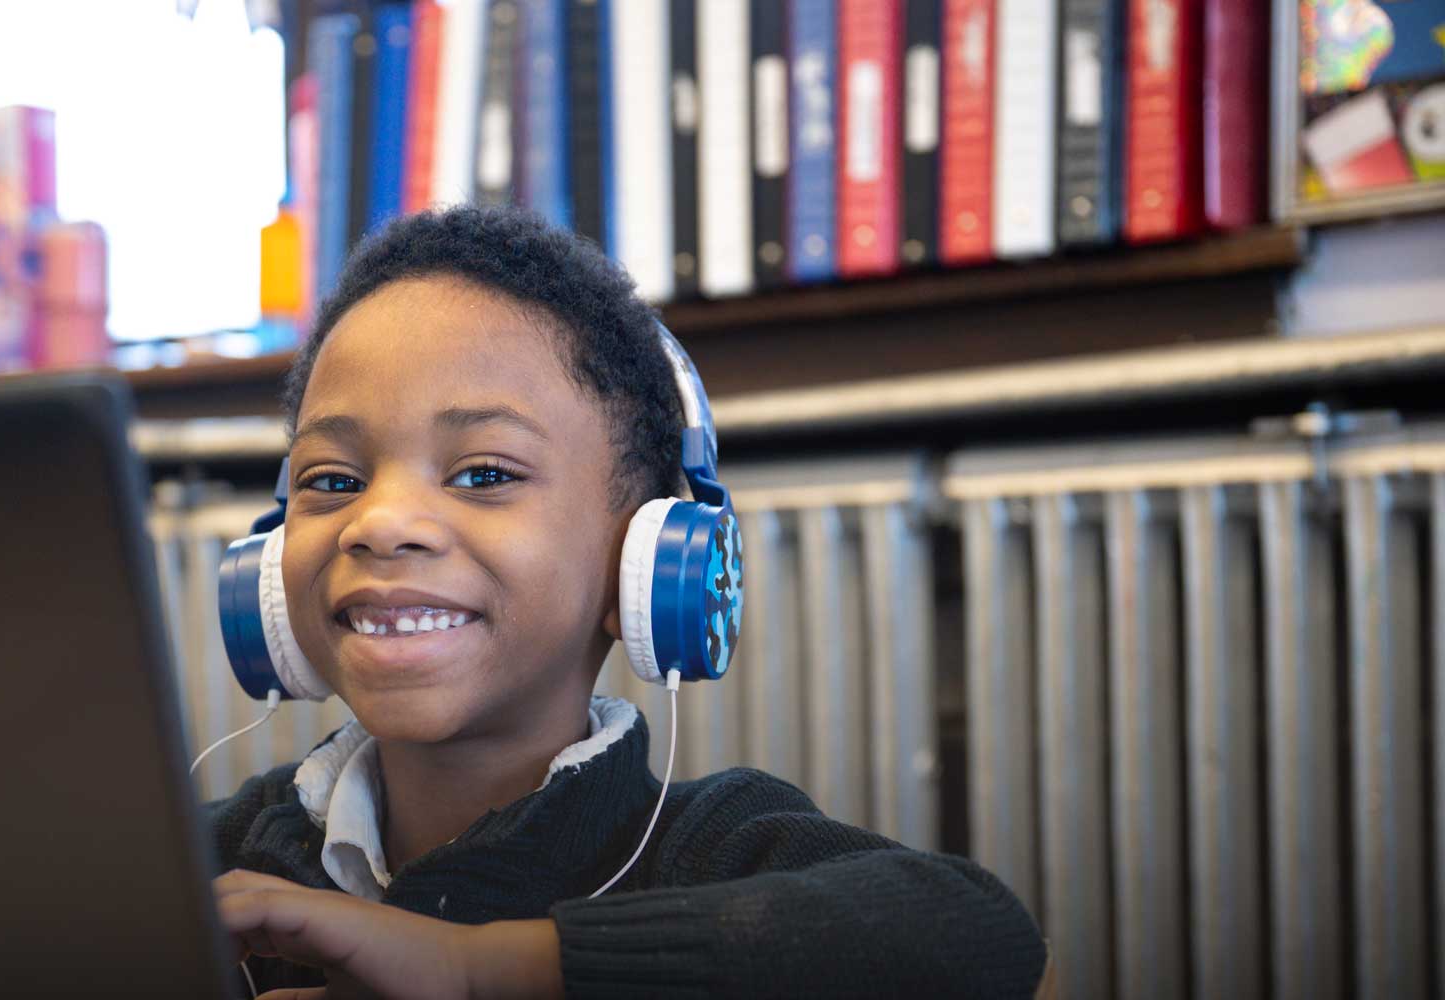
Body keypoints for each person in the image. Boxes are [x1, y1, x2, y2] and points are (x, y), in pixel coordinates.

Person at [206, 205, 1047, 998]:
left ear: (643, 563)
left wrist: (473, 970)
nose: (380, 523)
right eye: (334, 480)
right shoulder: (222, 855)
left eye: (485, 474)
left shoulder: (705, 844)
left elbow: (980, 934)